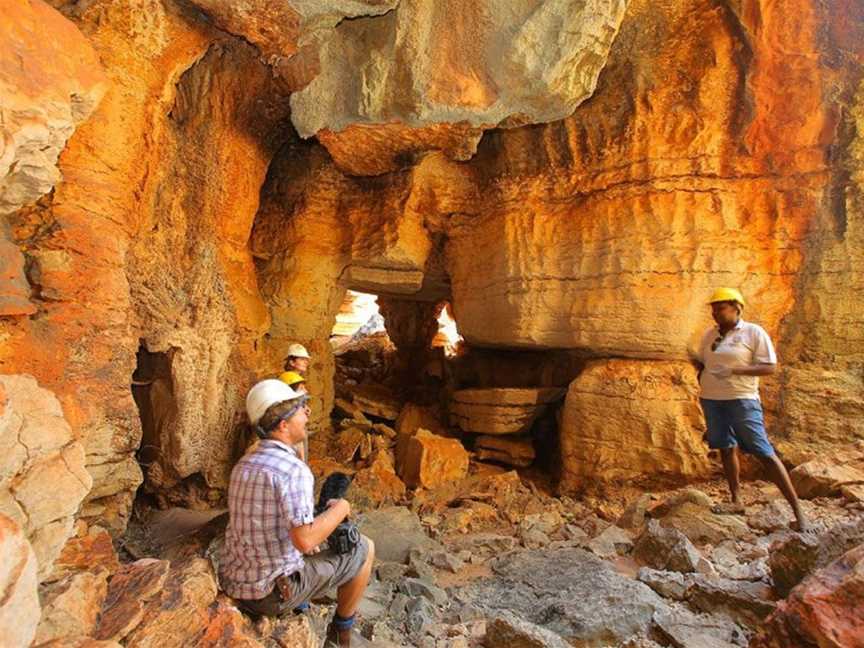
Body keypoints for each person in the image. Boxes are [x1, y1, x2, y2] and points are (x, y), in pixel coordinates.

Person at [220, 379, 375, 647]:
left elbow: (268, 525)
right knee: (365, 548)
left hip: (235, 582)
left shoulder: (243, 465)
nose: (307, 414)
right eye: (301, 409)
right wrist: (341, 509)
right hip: (268, 595)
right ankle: (340, 634)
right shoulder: (292, 470)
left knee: (311, 547)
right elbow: (305, 540)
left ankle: (305, 609)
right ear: (283, 425)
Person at [693, 288, 809, 531]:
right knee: (725, 447)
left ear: (737, 307)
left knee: (763, 452)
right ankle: (736, 500)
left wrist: (734, 371)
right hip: (712, 399)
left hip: (742, 399)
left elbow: (769, 367)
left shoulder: (753, 332)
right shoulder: (709, 334)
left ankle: (799, 511)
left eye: (721, 307)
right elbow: (705, 363)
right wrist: (698, 366)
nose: (715, 313)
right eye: (713, 308)